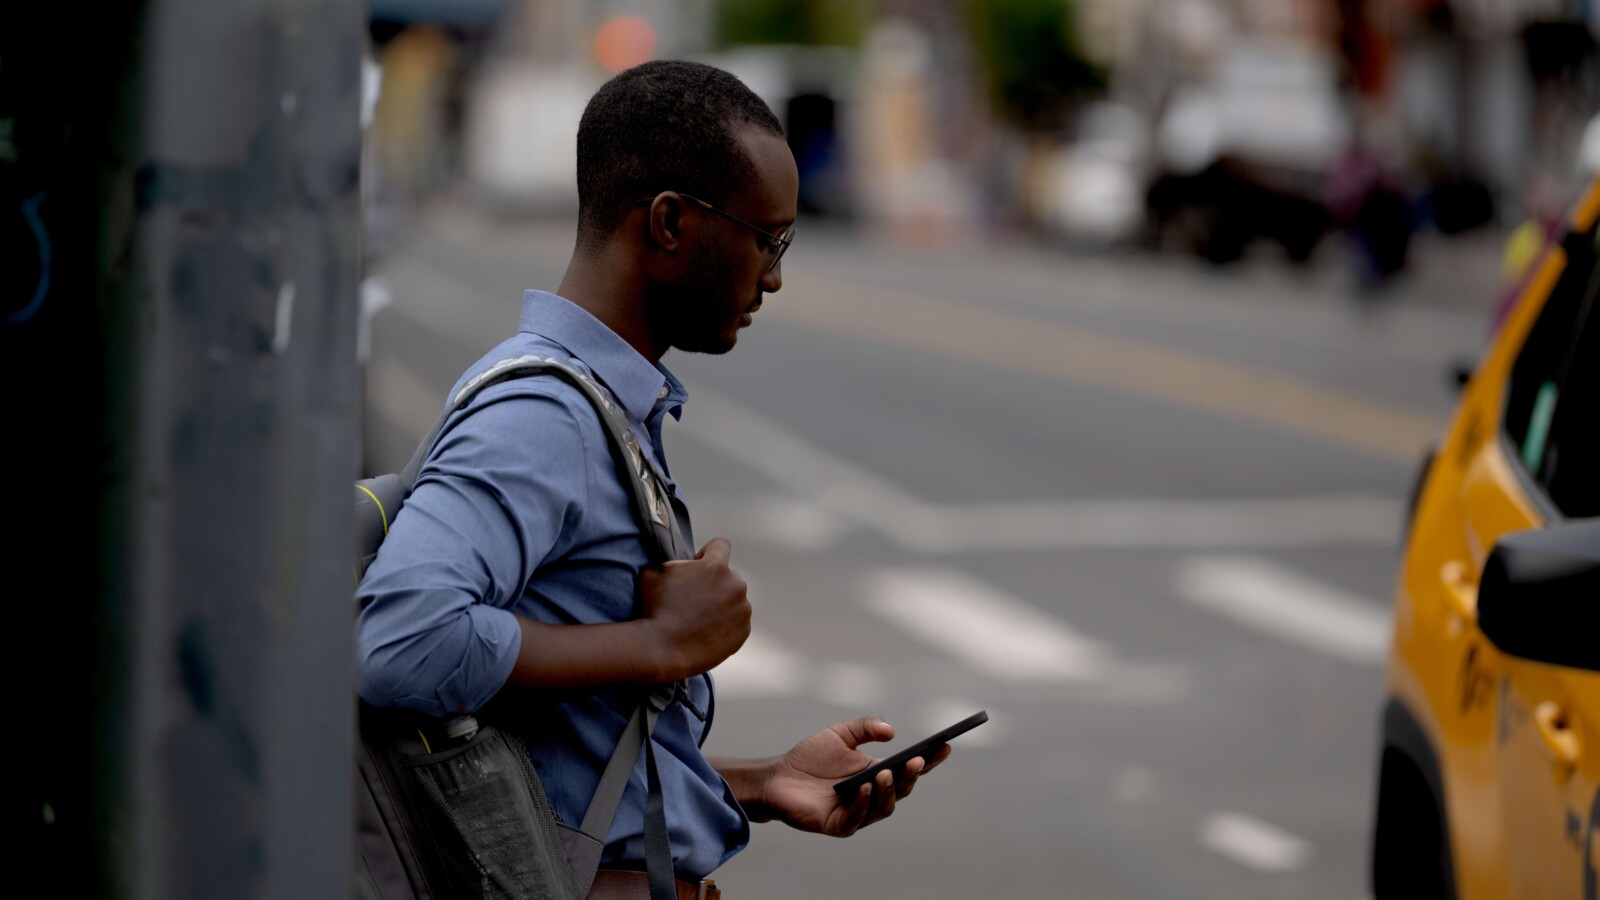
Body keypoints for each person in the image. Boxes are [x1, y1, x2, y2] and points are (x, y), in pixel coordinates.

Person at [355, 60, 947, 899]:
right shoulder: (541, 418)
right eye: (766, 240)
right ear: (670, 223)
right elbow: (400, 643)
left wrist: (765, 780)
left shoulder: (596, 404)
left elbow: (568, 750)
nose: (773, 276)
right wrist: (661, 645)